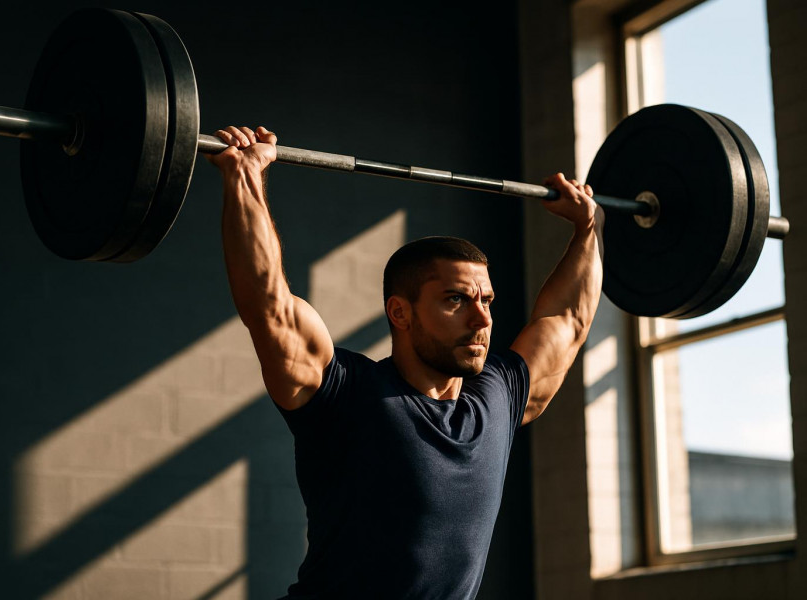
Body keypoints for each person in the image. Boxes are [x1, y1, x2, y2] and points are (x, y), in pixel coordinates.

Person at [207, 125, 604, 599]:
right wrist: (245, 175)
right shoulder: (345, 394)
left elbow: (568, 318)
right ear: (400, 312)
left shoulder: (498, 399)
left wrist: (588, 228)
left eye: (488, 301)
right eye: (456, 300)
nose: (482, 318)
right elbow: (267, 304)